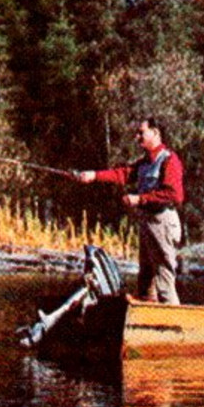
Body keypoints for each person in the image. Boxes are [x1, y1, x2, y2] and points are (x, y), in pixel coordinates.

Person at [75, 118, 185, 304]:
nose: (137, 137)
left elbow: (175, 195)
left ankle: (175, 326)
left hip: (163, 222)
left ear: (155, 133)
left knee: (164, 279)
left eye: (141, 133)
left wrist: (140, 199)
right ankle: (146, 322)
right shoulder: (145, 162)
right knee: (146, 278)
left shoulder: (169, 160)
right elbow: (123, 174)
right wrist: (94, 175)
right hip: (148, 223)